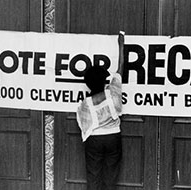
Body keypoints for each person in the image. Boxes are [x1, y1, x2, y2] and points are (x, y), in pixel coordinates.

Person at [76, 32, 125, 190]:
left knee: (93, 176)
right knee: (111, 177)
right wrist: (121, 45)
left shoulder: (85, 104)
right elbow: (121, 69)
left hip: (94, 141)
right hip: (113, 138)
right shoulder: (113, 92)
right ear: (104, 81)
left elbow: (83, 125)